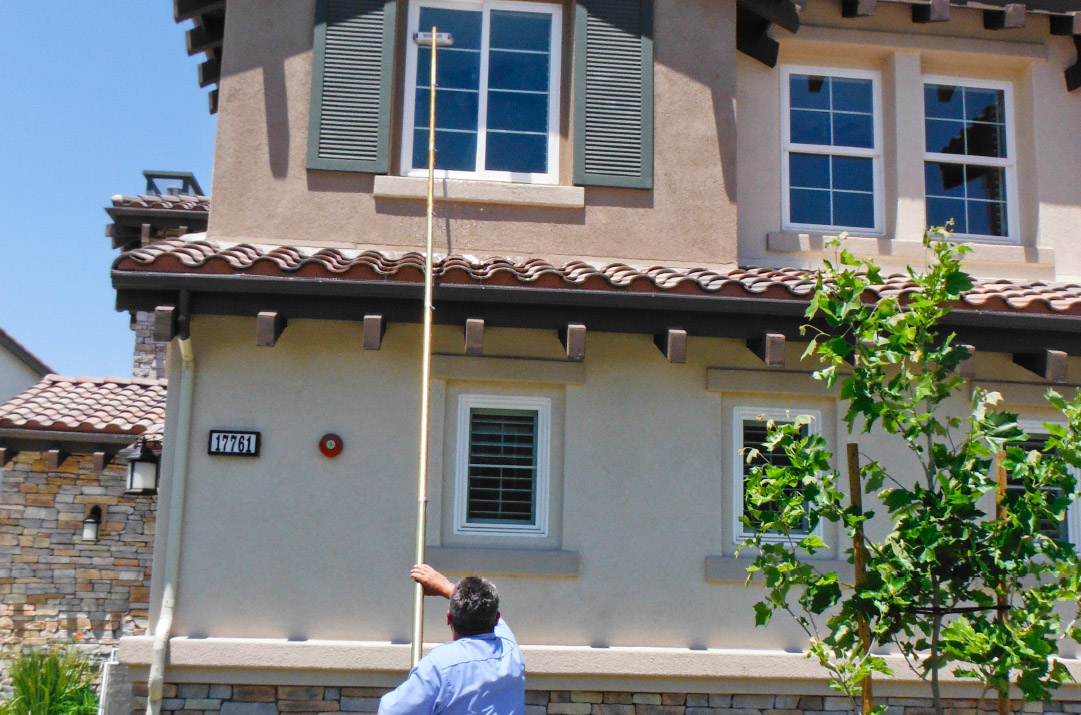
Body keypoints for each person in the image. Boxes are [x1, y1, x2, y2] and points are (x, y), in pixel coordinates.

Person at [378, 565, 525, 715]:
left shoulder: (439, 666)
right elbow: (494, 617)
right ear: (496, 619)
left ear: (449, 618)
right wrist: (446, 587)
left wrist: (443, 585)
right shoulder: (511, 651)